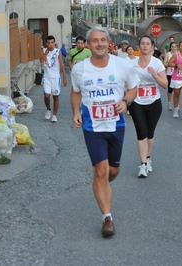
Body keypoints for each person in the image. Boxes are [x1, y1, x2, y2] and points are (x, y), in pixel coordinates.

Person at [70, 26, 139, 237]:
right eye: (95, 41)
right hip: (92, 127)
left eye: (102, 40)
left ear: (108, 43)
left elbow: (133, 88)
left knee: (112, 171)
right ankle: (107, 218)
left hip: (116, 125)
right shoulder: (79, 69)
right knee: (100, 171)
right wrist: (76, 111)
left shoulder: (122, 65)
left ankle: (102, 185)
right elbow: (75, 92)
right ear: (88, 45)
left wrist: (126, 102)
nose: (99, 44)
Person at [129, 35, 168, 177]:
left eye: (148, 44)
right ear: (139, 46)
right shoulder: (131, 64)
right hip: (137, 102)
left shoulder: (157, 63)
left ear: (152, 47)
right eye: (142, 43)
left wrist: (155, 76)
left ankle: (148, 157)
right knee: (141, 133)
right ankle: (143, 164)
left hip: (154, 102)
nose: (145, 46)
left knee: (150, 133)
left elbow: (165, 85)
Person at [40, 35, 68, 123]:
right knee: (47, 96)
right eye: (48, 43)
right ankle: (48, 109)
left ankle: (54, 115)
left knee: (56, 97)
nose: (50, 44)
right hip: (47, 78)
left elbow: (62, 64)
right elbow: (41, 60)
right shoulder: (43, 50)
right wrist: (46, 52)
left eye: (52, 42)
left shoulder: (58, 51)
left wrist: (64, 77)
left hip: (56, 78)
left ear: (54, 43)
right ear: (46, 43)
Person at [163, 42, 177, 111]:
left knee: (177, 90)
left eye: (175, 47)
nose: (174, 48)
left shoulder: (178, 54)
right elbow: (165, 63)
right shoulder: (168, 54)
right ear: (170, 48)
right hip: (170, 73)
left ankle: (176, 104)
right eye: (172, 47)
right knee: (170, 89)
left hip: (177, 74)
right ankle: (169, 103)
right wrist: (171, 64)